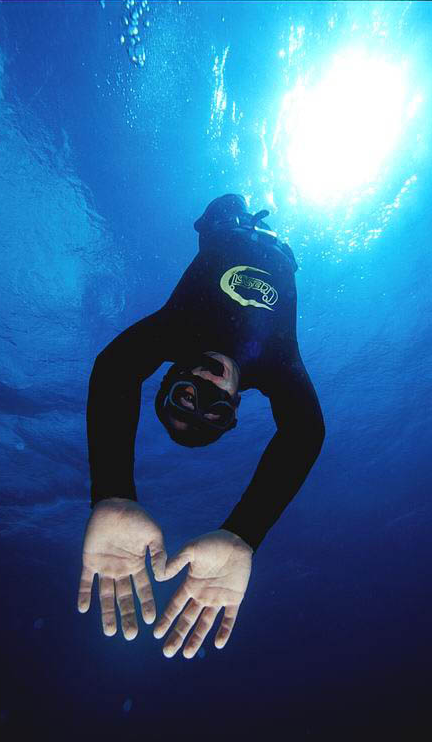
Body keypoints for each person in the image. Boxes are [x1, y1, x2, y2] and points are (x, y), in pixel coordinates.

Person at [78, 194, 325, 658]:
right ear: (235, 409)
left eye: (186, 396)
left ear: (170, 374)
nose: (207, 387)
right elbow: (305, 433)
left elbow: (116, 369)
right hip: (280, 256)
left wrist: (112, 493)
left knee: (227, 204)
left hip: (223, 231)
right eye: (213, 409)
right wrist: (243, 534)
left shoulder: (179, 330)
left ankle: (222, 221)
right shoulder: (276, 366)